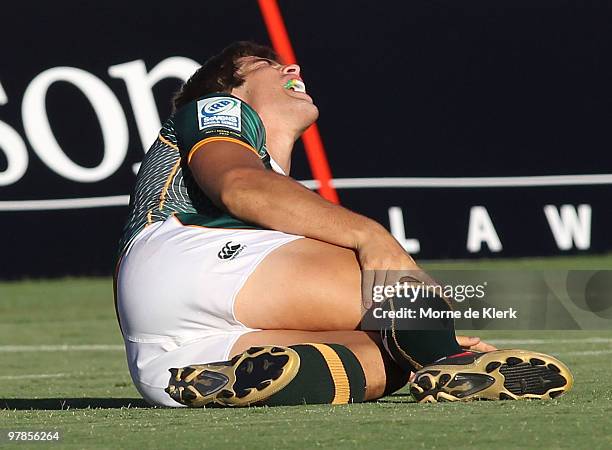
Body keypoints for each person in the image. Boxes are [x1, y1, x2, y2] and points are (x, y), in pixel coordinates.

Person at [115, 41, 573, 407]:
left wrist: (421, 341)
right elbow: (239, 186)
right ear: (232, 90)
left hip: (167, 363)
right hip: (183, 259)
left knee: (390, 359)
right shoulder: (217, 109)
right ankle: (450, 356)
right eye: (265, 65)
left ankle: (232, 383)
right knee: (412, 296)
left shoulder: (274, 182)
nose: (291, 68)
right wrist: (371, 236)